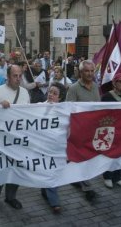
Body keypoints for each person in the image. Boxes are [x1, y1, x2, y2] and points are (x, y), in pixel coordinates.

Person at [0, 65, 30, 210]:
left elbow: (30, 115)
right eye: (15, 75)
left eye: (20, 76)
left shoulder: (24, 92)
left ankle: (11, 197)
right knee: (0, 169)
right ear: (7, 76)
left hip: (18, 140)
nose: (18, 79)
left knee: (15, 169)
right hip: (0, 140)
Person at [65, 60, 98, 200]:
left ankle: (78, 179)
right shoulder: (73, 89)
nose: (90, 74)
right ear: (80, 72)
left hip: (92, 130)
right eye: (87, 71)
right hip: (78, 131)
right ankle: (87, 187)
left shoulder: (96, 87)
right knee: (81, 158)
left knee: (88, 159)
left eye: (92, 71)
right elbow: (68, 110)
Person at [101, 73, 121, 189]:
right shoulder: (106, 97)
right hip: (112, 130)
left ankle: (118, 177)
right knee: (111, 155)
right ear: (114, 84)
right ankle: (108, 177)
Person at [41, 82, 67, 214]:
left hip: (56, 149)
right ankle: (50, 196)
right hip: (41, 147)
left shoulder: (64, 111)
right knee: (46, 172)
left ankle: (52, 198)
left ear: (60, 98)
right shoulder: (38, 107)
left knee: (52, 173)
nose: (51, 95)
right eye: (50, 92)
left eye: (54, 93)